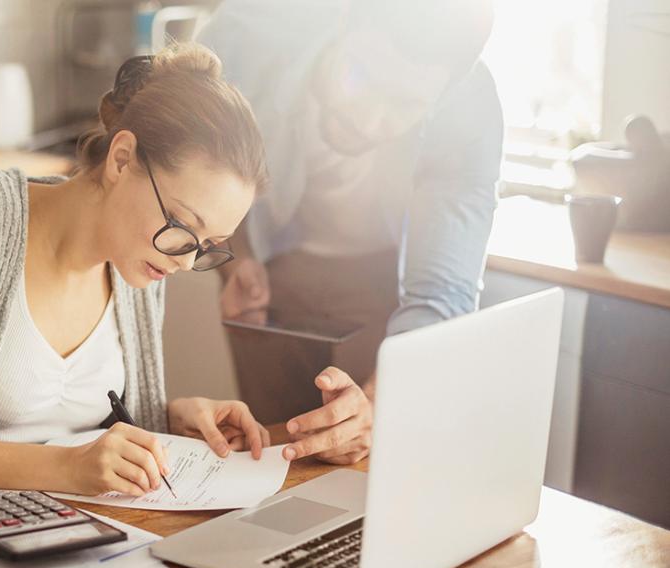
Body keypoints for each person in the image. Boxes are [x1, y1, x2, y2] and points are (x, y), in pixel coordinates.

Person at [0, 43, 271, 496]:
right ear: (121, 159)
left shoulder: (143, 261)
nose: (184, 260)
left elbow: (86, 426)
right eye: (182, 226)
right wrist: (64, 468)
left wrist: (170, 417)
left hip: (77, 537)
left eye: (208, 246)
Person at [199, 0, 502, 465]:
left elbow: (441, 291)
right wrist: (232, 257)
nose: (366, 117)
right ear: (341, 19)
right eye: (361, 76)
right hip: (268, 265)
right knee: (268, 459)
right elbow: (192, 163)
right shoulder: (244, 35)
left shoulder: (469, 110)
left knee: (367, 458)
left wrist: (381, 407)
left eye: (403, 105)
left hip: (384, 288)